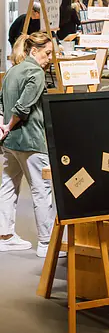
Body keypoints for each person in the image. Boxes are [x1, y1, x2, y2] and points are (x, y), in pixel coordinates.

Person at [0, 33, 57, 258]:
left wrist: (3, 126)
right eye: (47, 53)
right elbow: (23, 107)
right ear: (34, 50)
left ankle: (5, 236)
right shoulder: (36, 72)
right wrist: (10, 123)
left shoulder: (12, 71)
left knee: (8, 186)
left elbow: (1, 102)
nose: (50, 58)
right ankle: (46, 243)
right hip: (31, 140)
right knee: (42, 190)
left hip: (10, 141)